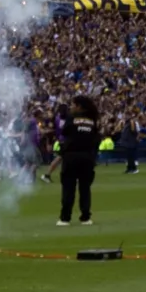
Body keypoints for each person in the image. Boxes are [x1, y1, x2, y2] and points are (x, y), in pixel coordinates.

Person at [58, 95, 101, 226]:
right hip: (87, 157)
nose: (72, 107)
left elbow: (64, 132)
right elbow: (96, 138)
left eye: (74, 105)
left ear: (79, 106)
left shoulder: (72, 118)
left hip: (71, 156)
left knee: (68, 188)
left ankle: (65, 218)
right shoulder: (92, 120)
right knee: (85, 188)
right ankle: (86, 217)